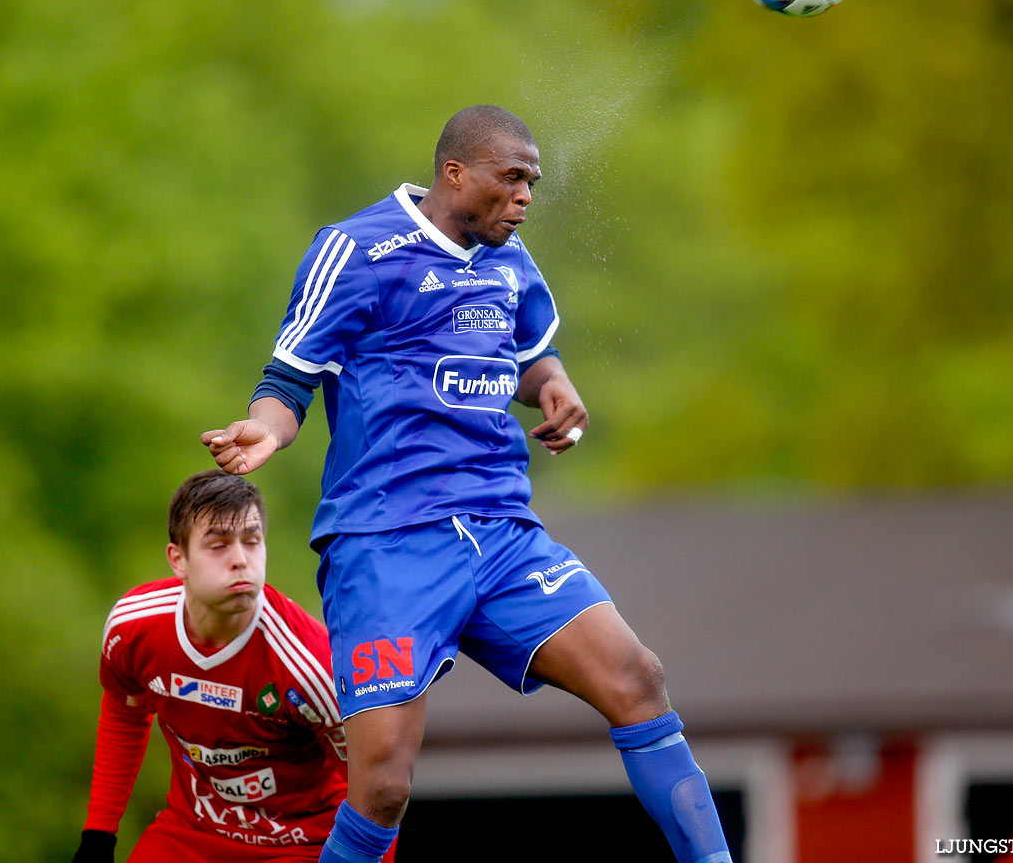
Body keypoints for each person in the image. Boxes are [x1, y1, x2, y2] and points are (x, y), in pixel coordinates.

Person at [203, 105, 734, 863]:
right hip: (389, 542)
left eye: (532, 184)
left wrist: (554, 385)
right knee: (382, 785)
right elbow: (289, 379)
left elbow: (529, 357)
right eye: (511, 178)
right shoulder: (356, 249)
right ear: (455, 173)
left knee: (637, 679)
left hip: (500, 532)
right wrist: (265, 429)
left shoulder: (511, 262)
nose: (523, 198)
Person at [72, 470, 395, 863]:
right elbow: (125, 716)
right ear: (178, 559)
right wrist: (99, 835)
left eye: (252, 542)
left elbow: (377, 787)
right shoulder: (132, 627)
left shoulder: (313, 667)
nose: (241, 560)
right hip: (192, 832)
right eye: (218, 545)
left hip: (302, 844)